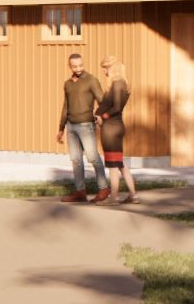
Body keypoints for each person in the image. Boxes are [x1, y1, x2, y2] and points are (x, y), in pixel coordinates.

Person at [56, 52, 108, 203]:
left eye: (80, 65)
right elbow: (65, 106)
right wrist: (61, 128)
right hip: (71, 126)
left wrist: (99, 115)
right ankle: (80, 191)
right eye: (74, 66)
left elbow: (102, 101)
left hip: (86, 125)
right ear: (69, 66)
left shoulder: (91, 80)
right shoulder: (67, 84)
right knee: (76, 160)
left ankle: (104, 189)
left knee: (93, 157)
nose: (78, 68)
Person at [94, 55, 139, 205]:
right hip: (114, 126)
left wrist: (103, 117)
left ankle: (113, 197)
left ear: (113, 68)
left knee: (113, 164)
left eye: (105, 68)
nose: (104, 72)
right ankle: (133, 195)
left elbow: (117, 107)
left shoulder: (118, 84)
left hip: (111, 127)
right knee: (120, 163)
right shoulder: (120, 84)